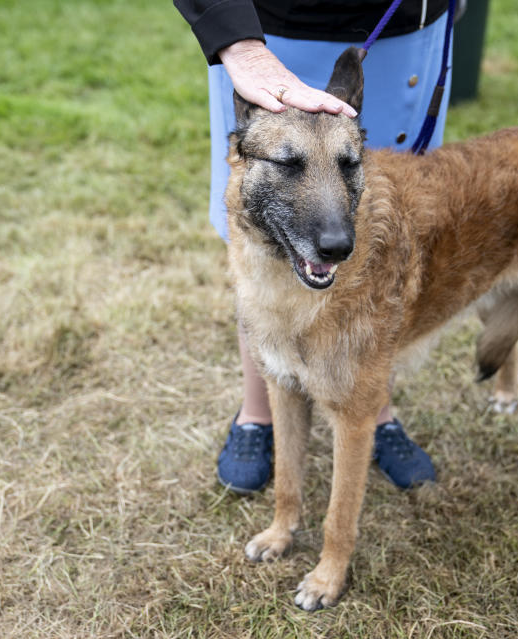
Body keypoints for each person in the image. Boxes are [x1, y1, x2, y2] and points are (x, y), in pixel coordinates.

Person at [174, 0, 453, 494]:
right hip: (271, 31)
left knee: (385, 232)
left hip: (405, 27)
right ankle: (258, 413)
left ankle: (372, 405)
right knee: (262, 231)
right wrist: (239, 42)